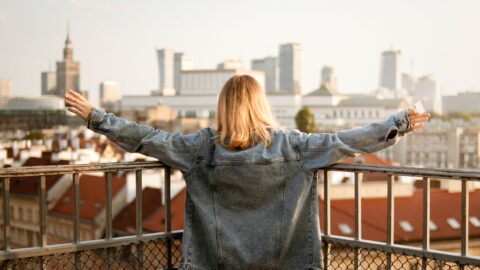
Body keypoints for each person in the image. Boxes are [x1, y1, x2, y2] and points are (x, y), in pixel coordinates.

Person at [64, 75, 429, 270]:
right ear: (260, 106)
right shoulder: (294, 147)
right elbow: (349, 141)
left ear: (223, 107)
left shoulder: (199, 149)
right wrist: (399, 122)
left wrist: (96, 117)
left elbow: (147, 139)